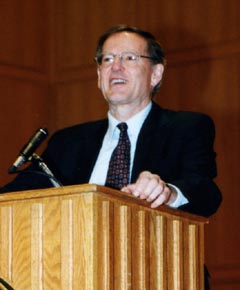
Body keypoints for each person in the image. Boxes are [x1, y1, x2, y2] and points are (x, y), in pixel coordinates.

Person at [0, 24, 221, 289]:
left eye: (129, 58)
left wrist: (169, 192)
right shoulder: (68, 142)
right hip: (73, 276)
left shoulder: (186, 127)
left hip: (159, 274)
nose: (116, 66)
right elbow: (16, 196)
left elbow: (206, 192)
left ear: (156, 73)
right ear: (98, 75)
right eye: (107, 59)